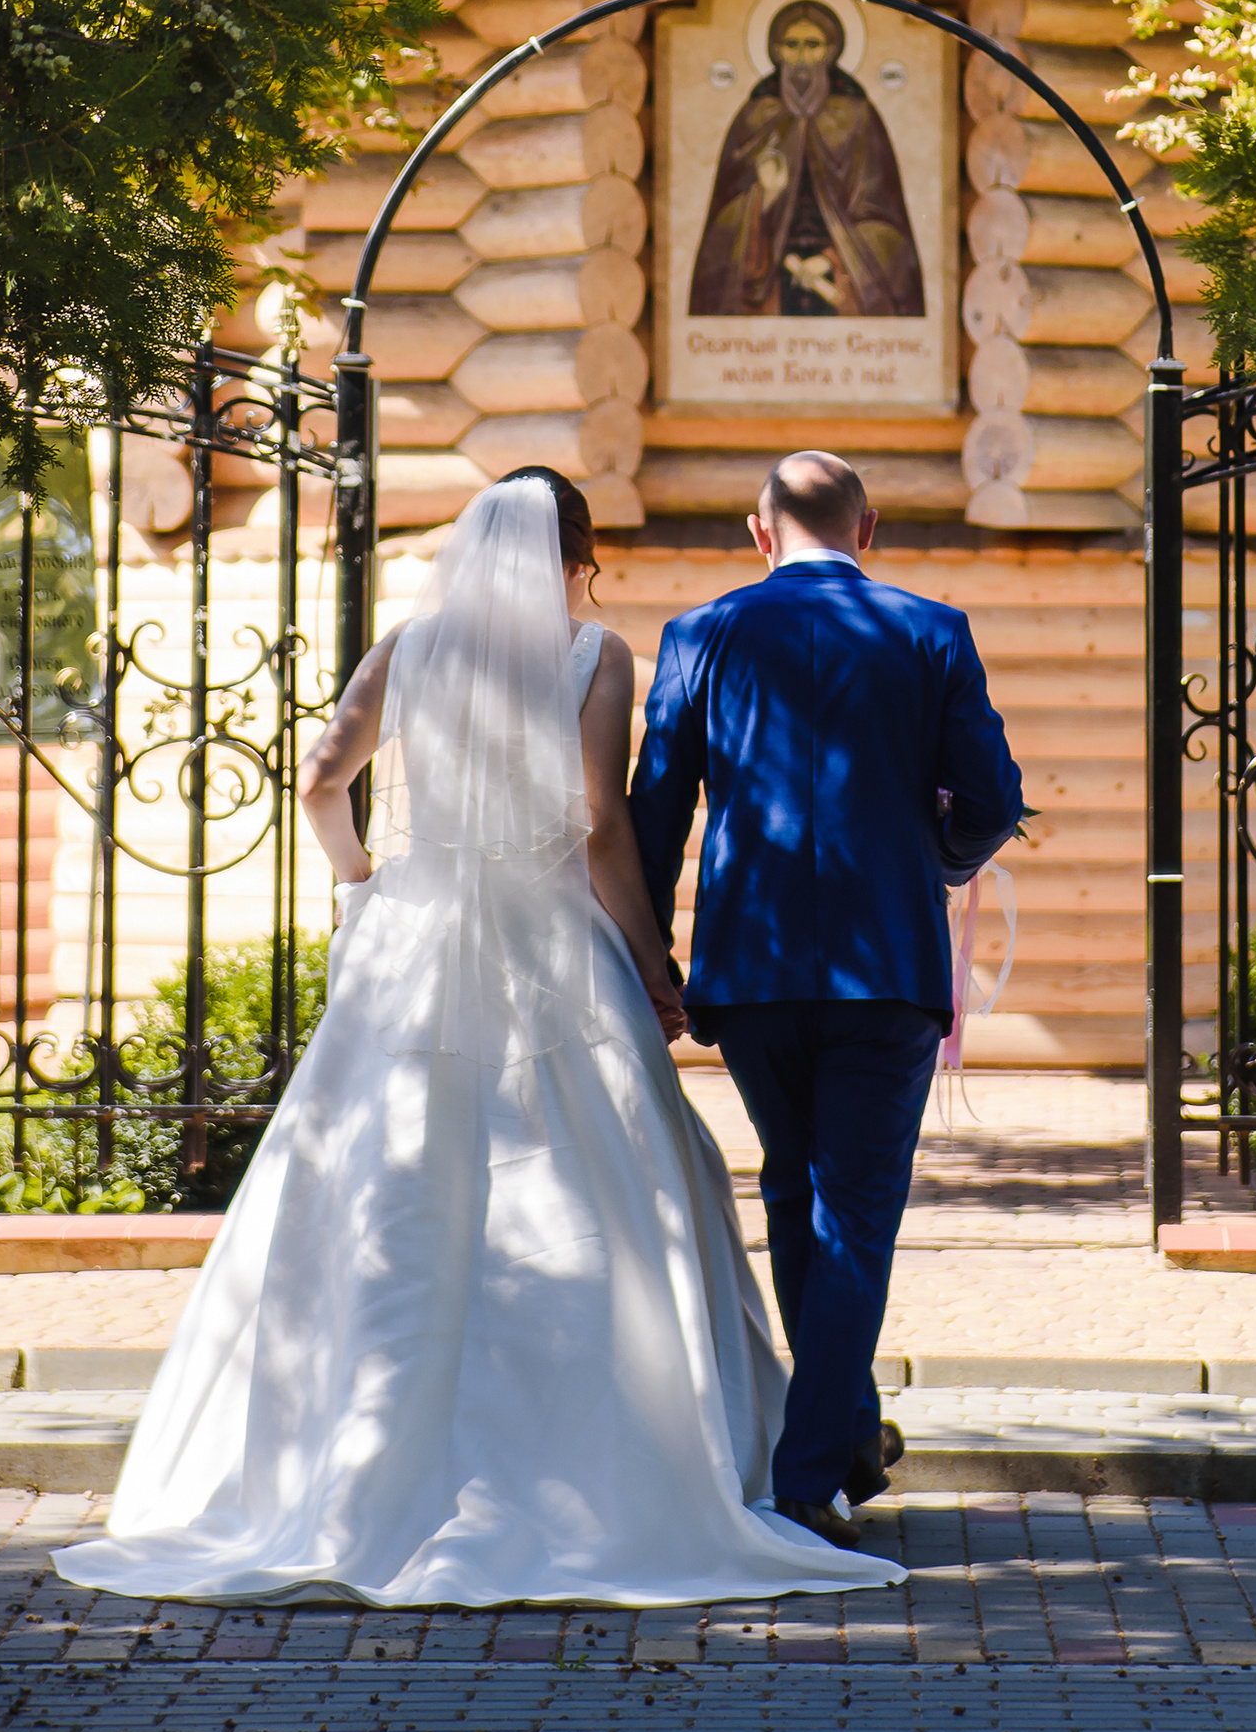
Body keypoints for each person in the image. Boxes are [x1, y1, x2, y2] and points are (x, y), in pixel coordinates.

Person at [53, 467, 901, 1607]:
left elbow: (317, 781)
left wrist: (363, 890)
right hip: (553, 946)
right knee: (606, 1187)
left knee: (380, 1185)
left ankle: (345, 1473)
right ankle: (629, 1469)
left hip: (415, 939)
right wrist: (655, 968)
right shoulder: (593, 657)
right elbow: (604, 831)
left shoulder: (406, 649)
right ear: (578, 556)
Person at [629, 448, 1023, 1550]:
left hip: (748, 972)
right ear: (870, 528)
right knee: (850, 1212)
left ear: (760, 534)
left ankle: (848, 1433)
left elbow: (652, 814)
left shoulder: (699, 635)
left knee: (799, 1195)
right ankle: (809, 1477)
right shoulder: (931, 630)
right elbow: (993, 799)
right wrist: (933, 857)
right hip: (882, 966)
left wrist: (651, 952)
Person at [688, 0, 926, 318]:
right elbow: (722, 226)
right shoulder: (757, 116)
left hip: (844, 275)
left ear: (830, 52)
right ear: (776, 51)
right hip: (768, 278)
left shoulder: (858, 118)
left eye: (812, 45)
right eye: (792, 45)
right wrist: (764, 197)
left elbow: (886, 224)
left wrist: (829, 258)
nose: (801, 58)